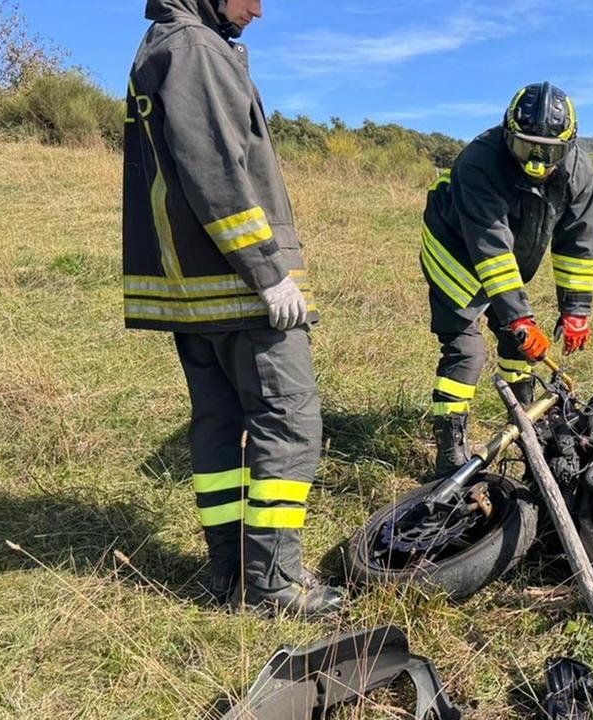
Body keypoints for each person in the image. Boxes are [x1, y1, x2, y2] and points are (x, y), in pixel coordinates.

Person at [122, 0, 343, 617]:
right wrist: (269, 274)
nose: (260, 10)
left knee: (219, 427)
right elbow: (217, 170)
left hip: (196, 292)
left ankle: (228, 570)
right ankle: (272, 583)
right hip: (240, 290)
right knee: (290, 423)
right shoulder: (196, 49)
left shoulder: (167, 44)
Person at [420, 81, 593, 478]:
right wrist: (519, 316)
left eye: (549, 152)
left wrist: (576, 310)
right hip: (455, 253)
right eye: (525, 148)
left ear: (569, 145)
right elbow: (490, 246)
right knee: (467, 352)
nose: (536, 162)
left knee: (519, 348)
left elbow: (578, 243)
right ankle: (449, 451)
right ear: (506, 135)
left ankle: (526, 424)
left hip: (505, 265)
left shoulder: (579, 174)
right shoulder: (479, 162)